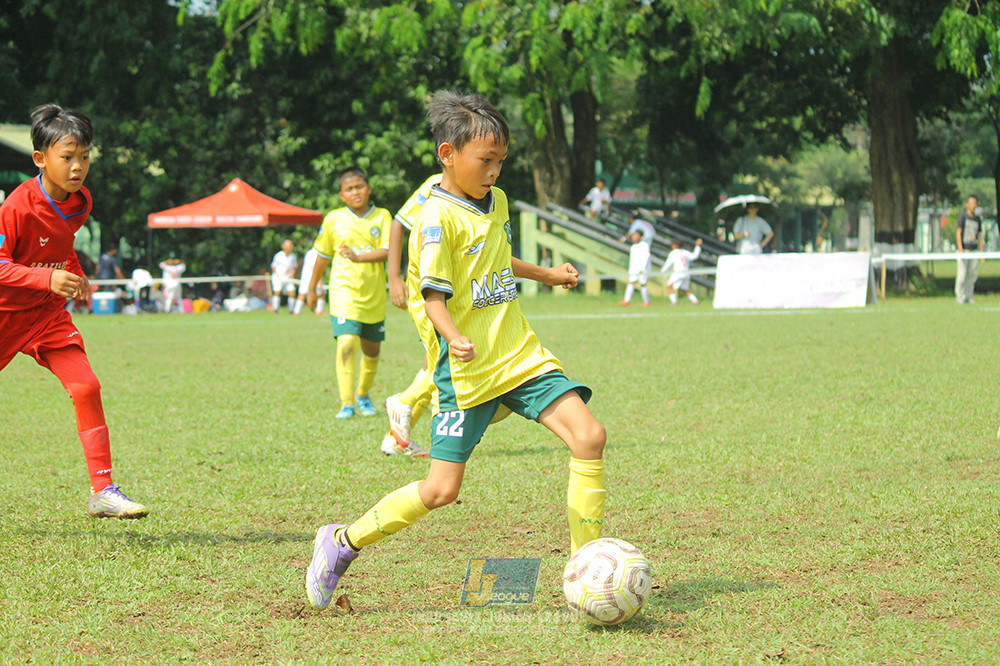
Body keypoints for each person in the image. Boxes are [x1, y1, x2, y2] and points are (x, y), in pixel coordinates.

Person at [305, 91, 606, 610]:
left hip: (519, 354)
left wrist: (547, 274)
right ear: (448, 154)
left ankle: (585, 570)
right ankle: (341, 542)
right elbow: (433, 297)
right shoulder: (435, 220)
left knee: (590, 436)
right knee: (441, 490)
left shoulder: (497, 200)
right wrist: (453, 335)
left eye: (501, 161)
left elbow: (497, 258)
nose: (495, 170)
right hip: (467, 371)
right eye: (485, 160)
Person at [0, 104, 148, 519]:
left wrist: (74, 270)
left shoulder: (81, 202)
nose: (78, 166)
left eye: (84, 156)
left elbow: (60, 244)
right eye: (67, 157)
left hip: (45, 316)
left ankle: (103, 491)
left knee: (86, 387)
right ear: (40, 159)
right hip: (6, 313)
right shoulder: (16, 207)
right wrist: (46, 277)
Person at [307, 166, 391, 420]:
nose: (355, 192)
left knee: (371, 350)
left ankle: (363, 394)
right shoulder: (333, 219)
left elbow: (388, 251)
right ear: (342, 195)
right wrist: (312, 287)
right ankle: (347, 403)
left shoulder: (382, 216)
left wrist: (358, 257)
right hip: (344, 293)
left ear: (369, 189)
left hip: (374, 295)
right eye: (349, 189)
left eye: (359, 187)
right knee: (346, 343)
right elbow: (322, 256)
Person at [381, 174, 443, 457]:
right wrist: (394, 276)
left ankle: (396, 437)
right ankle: (404, 403)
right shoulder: (436, 184)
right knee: (443, 364)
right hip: (432, 288)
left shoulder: (483, 187)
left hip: (457, 288)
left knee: (436, 363)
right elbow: (399, 223)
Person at [955, 195, 984, 305]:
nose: (973, 205)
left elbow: (979, 236)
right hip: (964, 250)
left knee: (972, 275)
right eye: (971, 203)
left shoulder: (977, 219)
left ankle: (968, 296)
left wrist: (982, 252)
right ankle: (960, 296)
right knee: (962, 275)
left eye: (974, 203)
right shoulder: (963, 217)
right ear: (967, 204)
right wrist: (960, 249)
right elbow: (958, 232)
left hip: (974, 250)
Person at [661, 238, 703, 305]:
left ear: (676, 245)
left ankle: (674, 302)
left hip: (678, 273)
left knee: (669, 286)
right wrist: (698, 246)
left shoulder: (674, 253)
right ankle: (696, 301)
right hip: (686, 273)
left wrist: (662, 271)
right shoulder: (685, 252)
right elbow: (695, 256)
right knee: (684, 290)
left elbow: (668, 263)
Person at [618, 230, 652, 307]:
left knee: (643, 284)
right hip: (634, 269)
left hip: (642, 270)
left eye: (636, 235)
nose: (634, 237)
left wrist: (642, 269)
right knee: (631, 282)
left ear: (640, 237)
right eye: (633, 236)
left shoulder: (644, 245)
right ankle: (626, 301)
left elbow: (646, 257)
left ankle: (647, 302)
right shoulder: (633, 247)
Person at [293, 246, 326, 316]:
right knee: (322, 293)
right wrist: (320, 280)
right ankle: (319, 311)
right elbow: (316, 268)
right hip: (313, 277)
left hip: (305, 276)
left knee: (302, 294)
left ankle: (296, 312)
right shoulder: (317, 254)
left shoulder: (309, 253)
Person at [270, 239, 298, 313]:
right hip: (278, 278)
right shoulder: (278, 256)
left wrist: (292, 273)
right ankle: (275, 309)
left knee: (292, 292)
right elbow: (273, 267)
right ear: (284, 246)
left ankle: (291, 310)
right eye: (289, 246)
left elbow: (294, 267)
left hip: (288, 278)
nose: (291, 247)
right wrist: (278, 275)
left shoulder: (293, 256)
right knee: (277, 292)